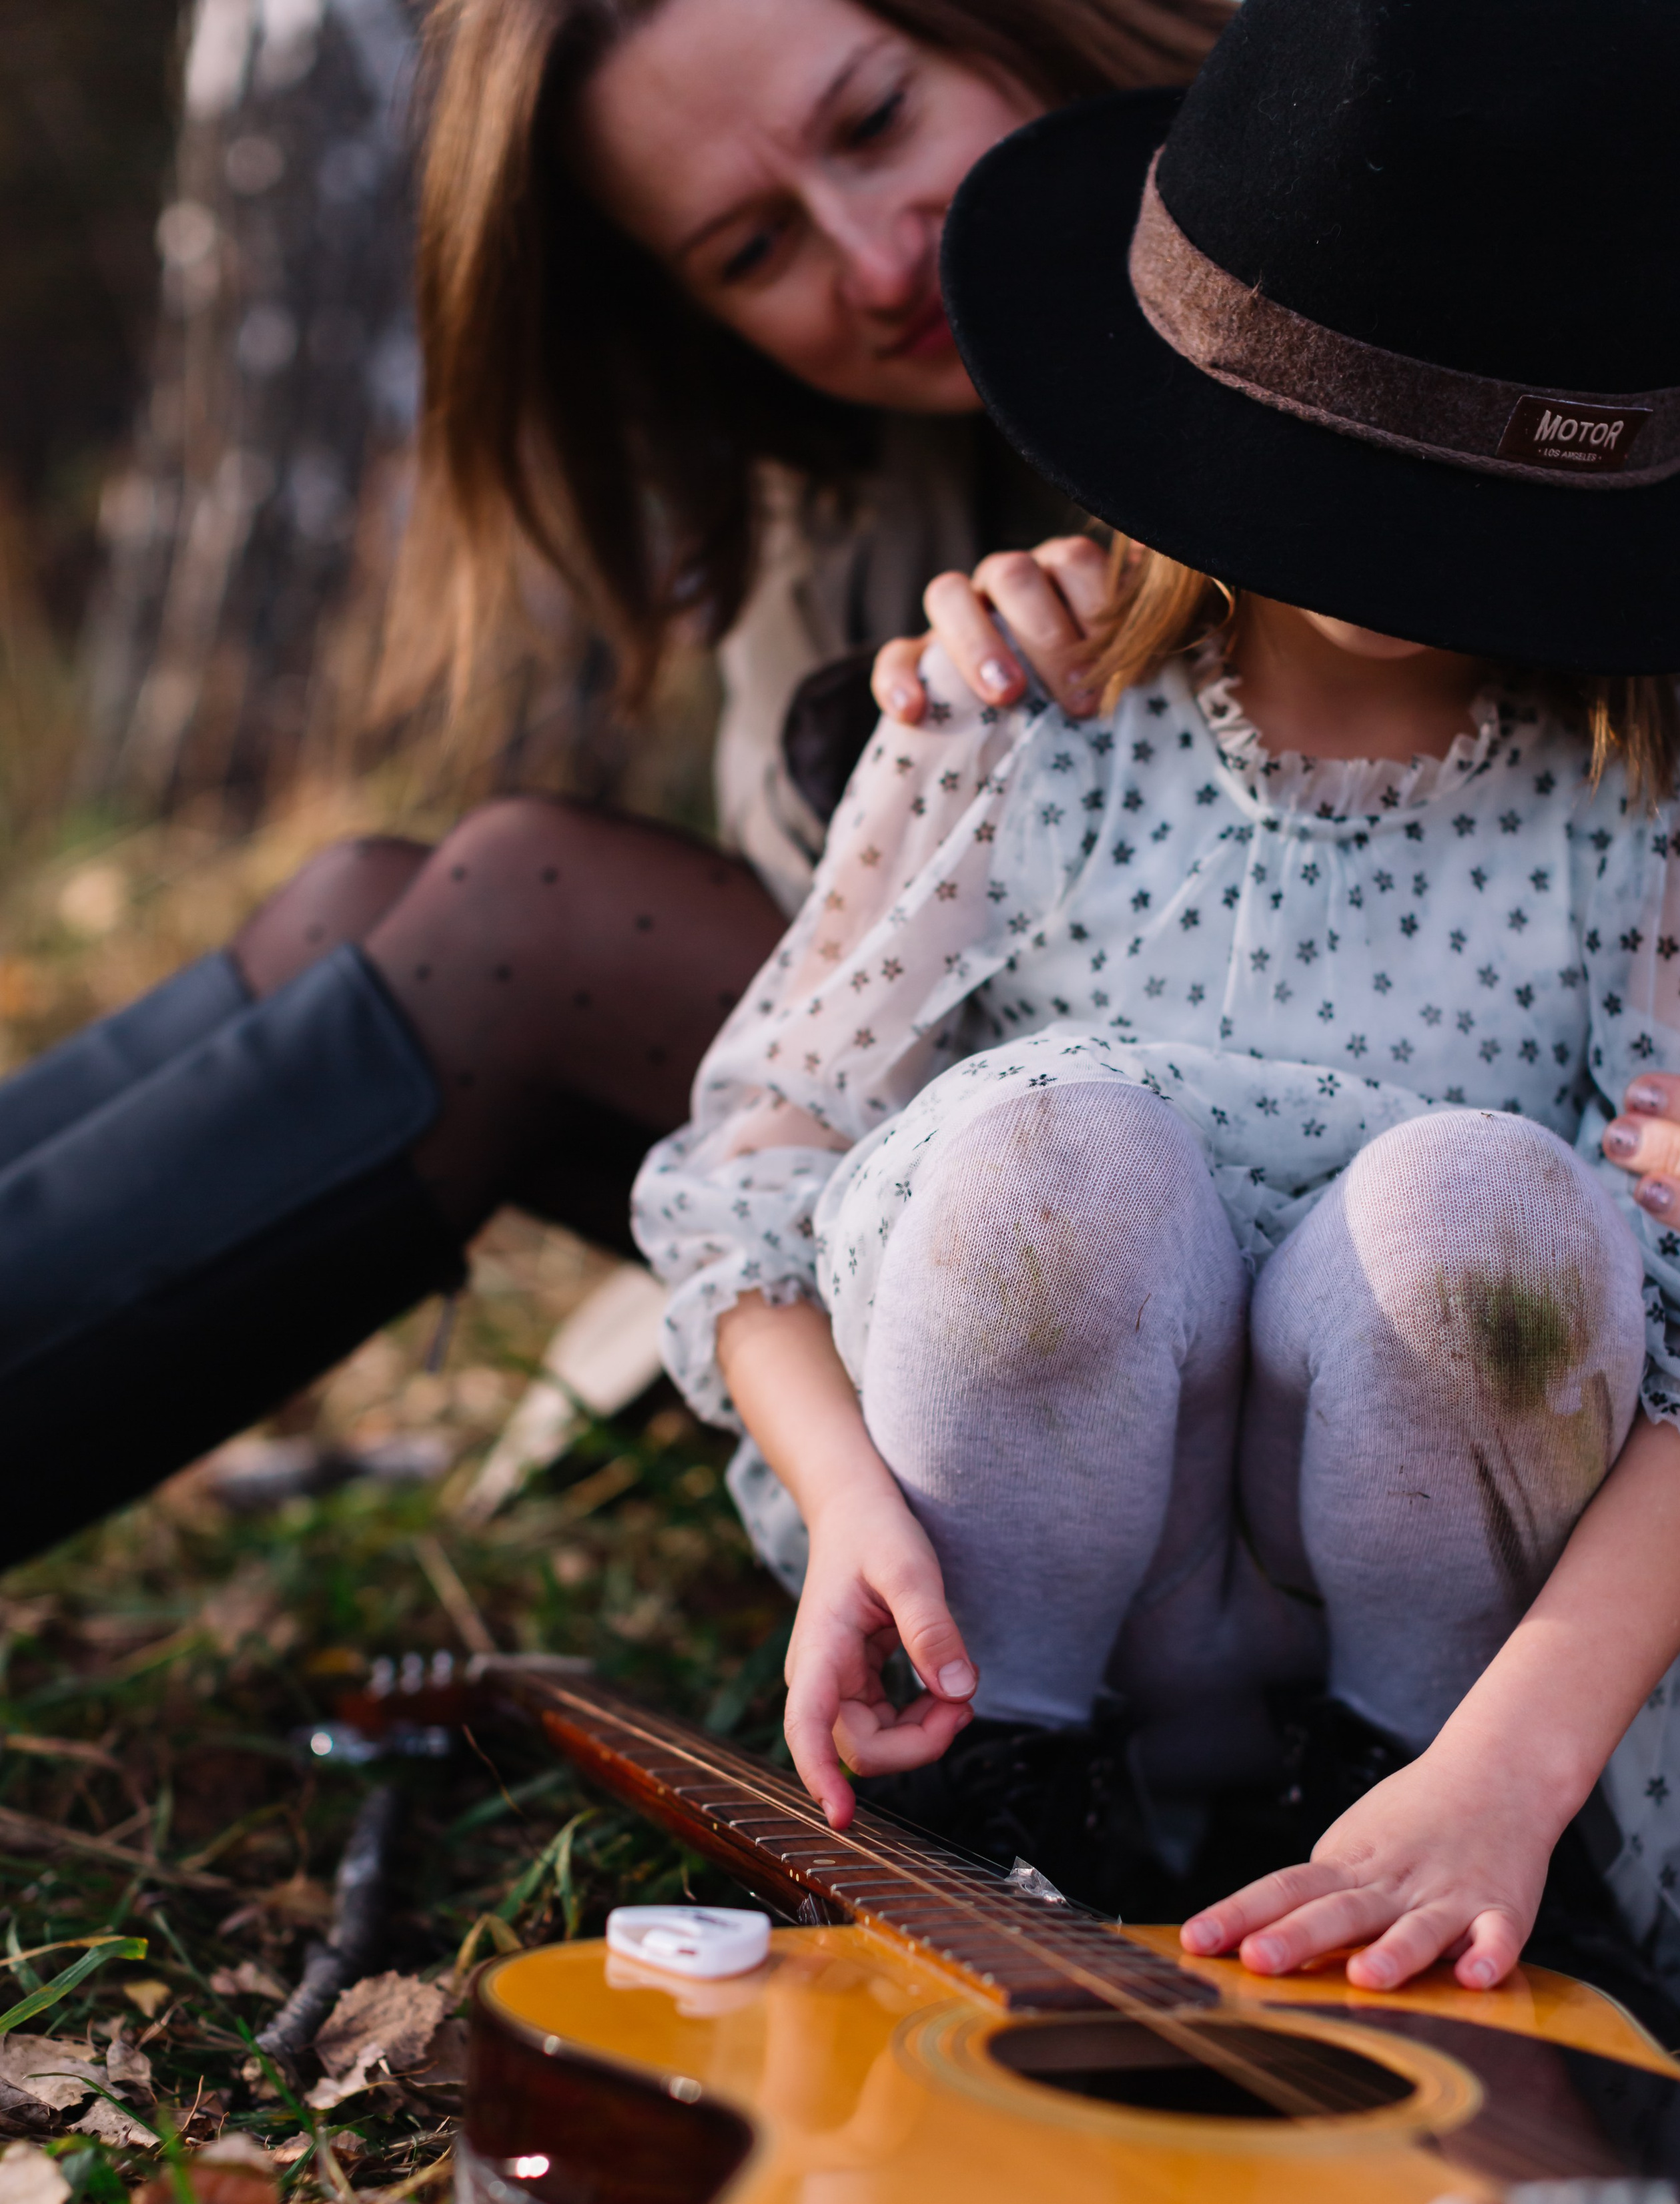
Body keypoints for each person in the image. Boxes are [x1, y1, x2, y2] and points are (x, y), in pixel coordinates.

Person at [633, 0, 1680, 2019]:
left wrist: (1508, 1769)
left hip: (1448, 1688)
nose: (1389, 522)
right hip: (1025, 1603)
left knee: (1478, 1217)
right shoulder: (1016, 728)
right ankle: (1000, 1795)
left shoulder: (1656, 805)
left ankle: (1391, 1826)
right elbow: (745, 1165)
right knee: (1058, 1158)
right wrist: (854, 1504)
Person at [0, 0, 1229, 1570]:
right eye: (748, 253)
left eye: (870, 123)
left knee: (534, 919)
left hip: (1303, 1280)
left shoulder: (1371, 283)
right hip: (995, 1203)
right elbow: (810, 974)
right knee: (360, 905)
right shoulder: (855, 479)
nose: (869, 262)